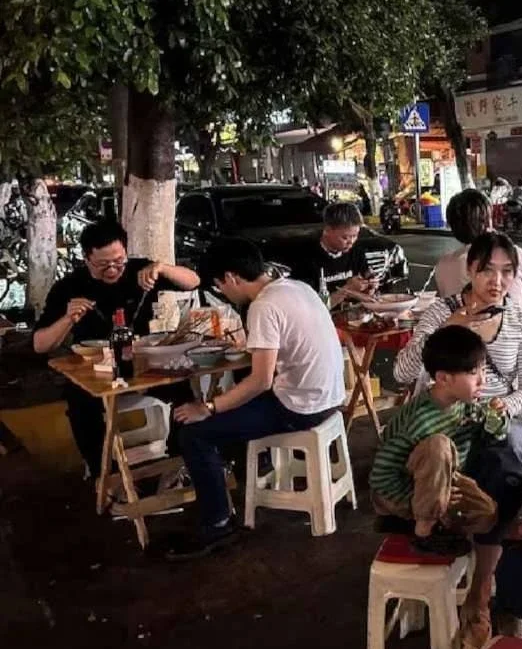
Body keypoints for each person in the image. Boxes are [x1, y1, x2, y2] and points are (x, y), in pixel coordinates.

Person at [396, 231, 522, 649]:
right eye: (487, 271)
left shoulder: (520, 319)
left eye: (507, 272)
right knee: (509, 479)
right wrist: (448, 327)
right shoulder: (441, 310)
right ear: (470, 270)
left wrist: (503, 406)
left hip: (501, 418)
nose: (497, 281)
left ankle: (481, 595)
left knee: (510, 460)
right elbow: (404, 374)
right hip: (446, 420)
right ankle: (503, 605)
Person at [168, 237, 345, 559]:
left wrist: (207, 407)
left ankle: (217, 524)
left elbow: (261, 381)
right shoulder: (297, 287)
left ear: (231, 277)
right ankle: (237, 496)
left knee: (195, 434)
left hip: (301, 408)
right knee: (231, 412)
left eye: (221, 286)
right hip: (330, 397)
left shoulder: (263, 305)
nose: (225, 293)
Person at [33, 219, 201, 475]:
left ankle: (178, 464)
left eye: (119, 261)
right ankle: (105, 476)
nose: (113, 269)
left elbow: (193, 281)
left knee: (183, 390)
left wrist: (163, 268)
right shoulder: (69, 286)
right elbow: (39, 345)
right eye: (103, 264)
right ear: (87, 258)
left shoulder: (139, 271)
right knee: (80, 405)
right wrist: (67, 319)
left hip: (144, 363)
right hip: (96, 370)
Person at [370, 325, 498, 551]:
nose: (482, 380)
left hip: (441, 484)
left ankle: (425, 521)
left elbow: (492, 429)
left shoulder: (464, 403)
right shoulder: (419, 419)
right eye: (472, 373)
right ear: (443, 379)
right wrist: (416, 499)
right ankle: (424, 533)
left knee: (487, 513)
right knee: (438, 446)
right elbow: (381, 475)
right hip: (399, 489)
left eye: (483, 370)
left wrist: (497, 418)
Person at [435, 189, 522, 309]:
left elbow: (445, 305)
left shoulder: (443, 265)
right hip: (511, 326)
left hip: (458, 325)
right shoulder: (515, 254)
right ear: (487, 222)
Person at [290, 202, 378, 306]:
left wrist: (370, 285)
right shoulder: (305, 258)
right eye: (345, 237)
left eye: (355, 236)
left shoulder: (356, 250)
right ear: (327, 230)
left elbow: (366, 275)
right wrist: (346, 289)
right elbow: (311, 309)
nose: (351, 242)